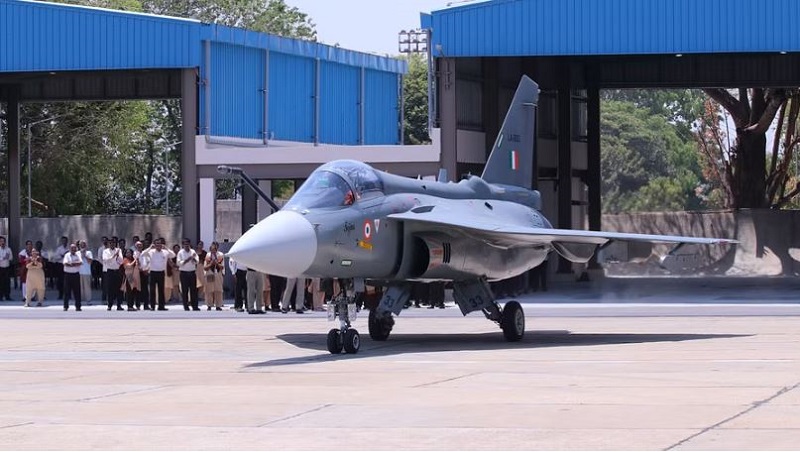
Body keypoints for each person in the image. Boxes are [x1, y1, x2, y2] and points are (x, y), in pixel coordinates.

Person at [141, 239, 175, 311]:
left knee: (161, 290)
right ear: (154, 245)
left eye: (159, 244)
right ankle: (152, 306)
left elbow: (173, 255)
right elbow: (143, 254)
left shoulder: (165, 252)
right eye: (156, 244)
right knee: (152, 290)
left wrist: (166, 248)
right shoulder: (151, 251)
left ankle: (161, 306)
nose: (158, 245)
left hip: (161, 273)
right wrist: (150, 247)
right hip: (153, 273)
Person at [177, 239, 200, 311]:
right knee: (185, 290)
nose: (187, 245)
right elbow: (179, 263)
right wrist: (188, 259)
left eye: (188, 244)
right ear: (183, 245)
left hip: (192, 272)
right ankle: (186, 306)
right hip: (184, 273)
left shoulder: (193, 251)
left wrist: (193, 258)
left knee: (193, 290)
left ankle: (195, 306)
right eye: (185, 244)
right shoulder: (180, 253)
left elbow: (197, 262)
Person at [102, 237, 124, 311]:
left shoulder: (119, 250)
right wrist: (113, 256)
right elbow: (106, 260)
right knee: (110, 289)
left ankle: (119, 305)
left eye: (114, 243)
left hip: (117, 271)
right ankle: (110, 305)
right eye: (111, 243)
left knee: (119, 289)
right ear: (109, 244)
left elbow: (121, 261)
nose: (112, 244)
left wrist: (117, 256)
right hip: (110, 271)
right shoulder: (105, 251)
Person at [203, 241, 224, 311]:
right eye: (212, 248)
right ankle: (209, 305)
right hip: (210, 273)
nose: (213, 250)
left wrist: (217, 263)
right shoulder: (208, 255)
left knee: (218, 290)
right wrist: (211, 263)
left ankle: (218, 305)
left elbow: (222, 267)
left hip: (218, 273)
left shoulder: (220, 255)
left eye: (215, 248)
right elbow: (205, 267)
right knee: (209, 290)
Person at [62, 243, 82, 311]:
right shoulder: (67, 255)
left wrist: (72, 264)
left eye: (74, 248)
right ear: (70, 249)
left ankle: (78, 306)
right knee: (67, 291)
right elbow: (65, 263)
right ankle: (65, 306)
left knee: (77, 291)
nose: (73, 249)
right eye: (72, 248)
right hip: (68, 275)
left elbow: (80, 263)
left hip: (76, 275)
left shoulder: (78, 255)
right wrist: (74, 264)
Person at [133, 241, 150, 310]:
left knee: (145, 290)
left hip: (145, 273)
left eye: (141, 245)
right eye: (138, 245)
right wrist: (141, 269)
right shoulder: (135, 253)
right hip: (138, 272)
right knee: (138, 289)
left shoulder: (145, 253)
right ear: (136, 246)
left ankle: (146, 305)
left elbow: (148, 262)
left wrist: (147, 270)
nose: (140, 246)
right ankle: (138, 305)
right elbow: (136, 261)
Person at [78, 240, 93, 305]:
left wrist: (85, 255)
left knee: (87, 287)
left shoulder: (89, 252)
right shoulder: (77, 253)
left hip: (87, 272)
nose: (82, 245)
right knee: (79, 287)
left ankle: (88, 300)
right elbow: (77, 261)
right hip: (79, 272)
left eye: (83, 244)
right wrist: (81, 254)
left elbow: (90, 261)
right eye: (81, 244)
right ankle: (80, 299)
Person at [0, 236, 13, 301]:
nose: (2, 243)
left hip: (7, 268)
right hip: (0, 268)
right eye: (1, 241)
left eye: (3, 241)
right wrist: (3, 258)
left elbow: (11, 258)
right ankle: (0, 296)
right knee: (1, 282)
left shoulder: (8, 249)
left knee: (7, 282)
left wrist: (8, 257)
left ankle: (7, 296)